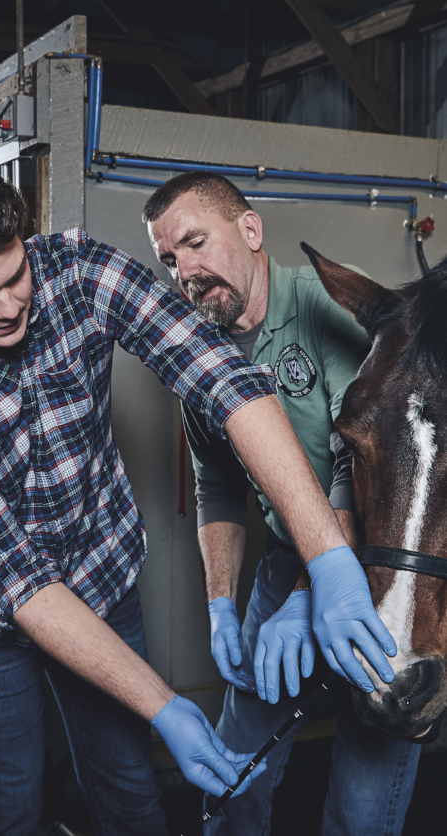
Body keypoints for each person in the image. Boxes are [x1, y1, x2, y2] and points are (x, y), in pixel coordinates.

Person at [0, 150, 393, 836]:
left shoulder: (79, 269)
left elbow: (224, 382)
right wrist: (165, 704)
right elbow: (21, 582)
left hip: (102, 576)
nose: (8, 308)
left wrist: (327, 559)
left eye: (15, 275)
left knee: (129, 795)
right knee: (8, 803)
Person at [144, 171, 419, 835]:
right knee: (232, 776)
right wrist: (219, 607)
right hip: (282, 566)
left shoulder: (331, 299)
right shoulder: (200, 354)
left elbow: (361, 463)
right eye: (169, 260)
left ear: (251, 229)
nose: (186, 270)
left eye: (195, 242)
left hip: (376, 570)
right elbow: (217, 488)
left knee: (360, 807)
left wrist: (308, 594)